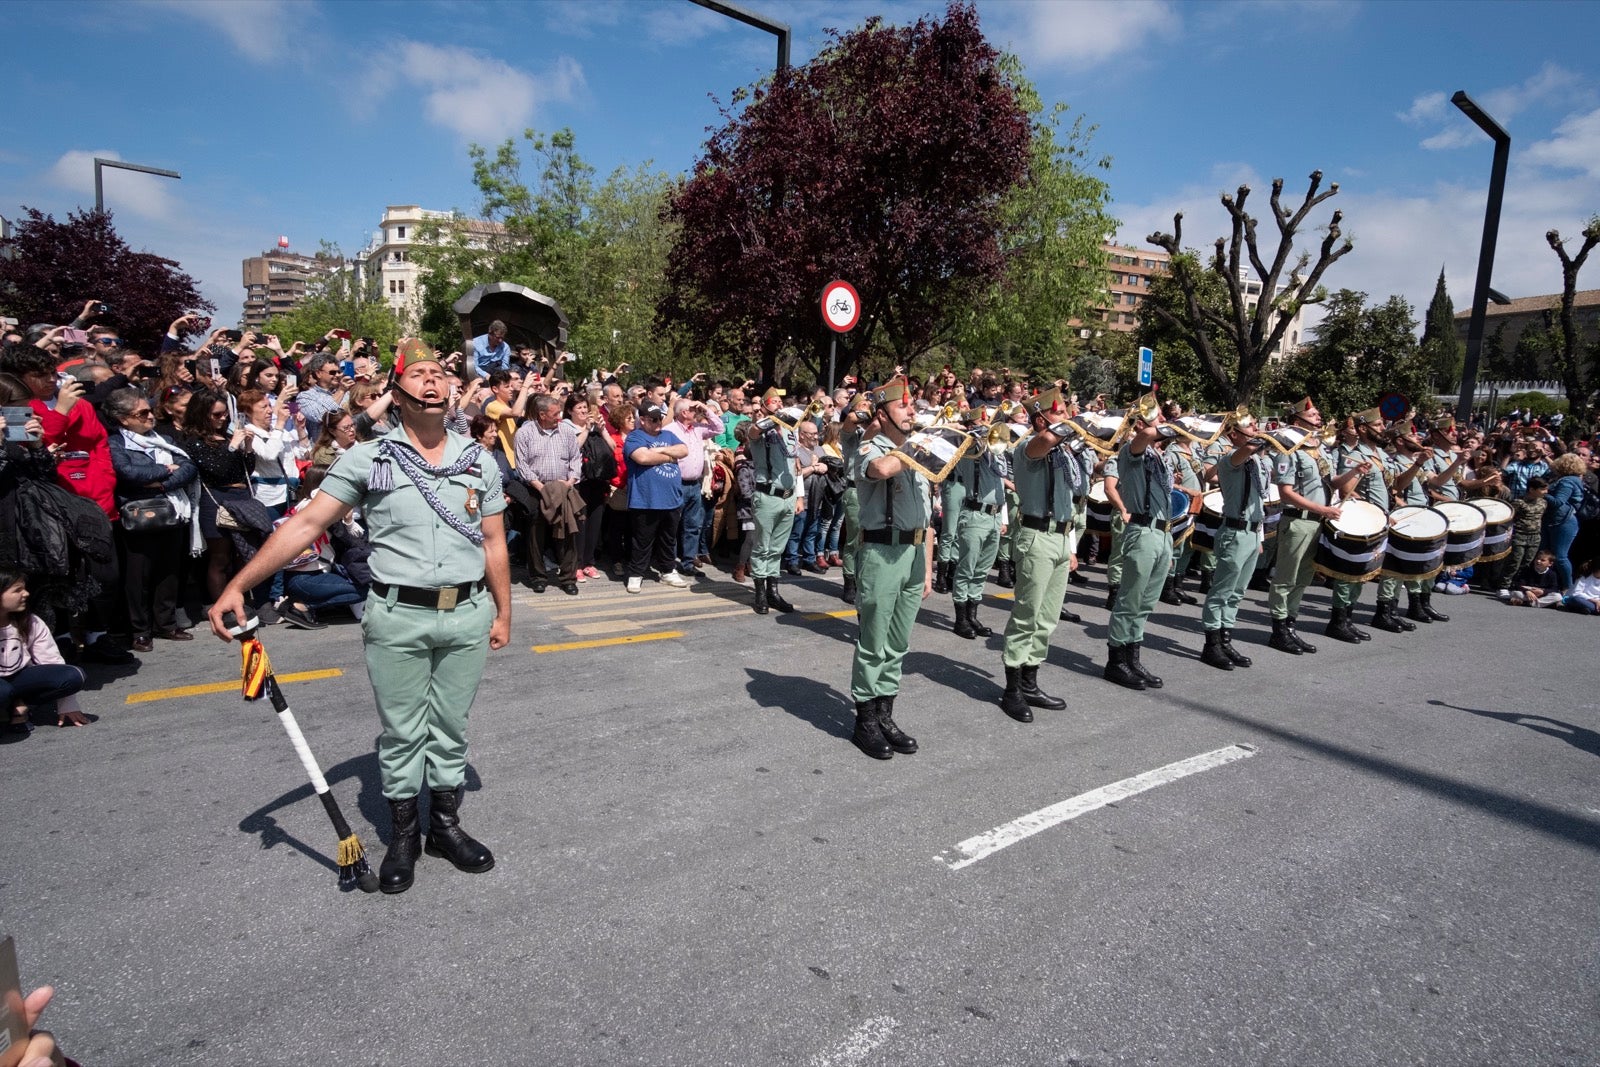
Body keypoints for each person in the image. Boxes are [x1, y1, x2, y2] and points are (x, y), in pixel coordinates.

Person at [208, 338, 512, 896]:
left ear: (450, 391)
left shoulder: (479, 461)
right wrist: (239, 584)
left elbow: (494, 541)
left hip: (466, 612)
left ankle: (445, 827)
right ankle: (403, 835)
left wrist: (503, 612)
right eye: (417, 374)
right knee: (401, 733)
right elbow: (302, 527)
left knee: (450, 728)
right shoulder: (370, 458)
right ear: (397, 393)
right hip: (398, 615)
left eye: (438, 374)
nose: (431, 380)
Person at [847, 377, 930, 760]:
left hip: (913, 553)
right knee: (873, 640)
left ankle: (885, 713)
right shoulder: (870, 446)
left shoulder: (917, 451)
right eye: (903, 407)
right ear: (883, 414)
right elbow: (879, 470)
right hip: (881, 553)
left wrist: (926, 567)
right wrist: (917, 448)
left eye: (912, 407)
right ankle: (864, 719)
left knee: (898, 642)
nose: (912, 411)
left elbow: (926, 516)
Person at [997, 389, 1080, 720]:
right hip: (1036, 537)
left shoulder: (1062, 452)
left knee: (1047, 617)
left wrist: (1071, 547)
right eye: (1059, 414)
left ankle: (1030, 682)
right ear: (1041, 419)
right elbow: (1045, 441)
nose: (1067, 419)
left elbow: (1068, 502)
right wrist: (1068, 427)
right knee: (1026, 613)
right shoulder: (1028, 447)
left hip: (1059, 536)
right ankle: (1012, 689)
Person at [105, 388, 201, 650]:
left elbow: (189, 466)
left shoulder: (163, 437)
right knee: (138, 577)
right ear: (124, 419)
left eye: (149, 410)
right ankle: (139, 629)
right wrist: (163, 470)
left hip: (171, 510)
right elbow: (127, 472)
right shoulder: (116, 442)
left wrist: (160, 484)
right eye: (142, 413)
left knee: (169, 571)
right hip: (139, 516)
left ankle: (166, 623)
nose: (150, 416)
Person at [1265, 398, 1354, 654]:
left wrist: (1354, 472)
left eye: (1317, 413)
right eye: (1313, 414)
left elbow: (1330, 483)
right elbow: (1286, 493)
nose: (1319, 418)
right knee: (1285, 579)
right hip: (1298, 521)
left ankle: (1290, 625)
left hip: (1317, 522)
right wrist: (1323, 509)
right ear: (1297, 421)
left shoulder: (1319, 449)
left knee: (1303, 579)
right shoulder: (1289, 450)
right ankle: (1278, 630)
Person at [1103, 395, 1172, 691]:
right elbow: (1144, 435)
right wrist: (1173, 428)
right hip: (1142, 530)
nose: (1164, 424)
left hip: (1162, 532)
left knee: (1145, 604)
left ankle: (1133, 656)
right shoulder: (1132, 450)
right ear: (1143, 424)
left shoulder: (1157, 456)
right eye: (1159, 419)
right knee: (1129, 601)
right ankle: (1116, 661)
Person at [1198, 411, 1272, 670]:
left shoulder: (1259, 462)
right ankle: (1211, 644)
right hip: (1235, 532)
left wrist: (1259, 536)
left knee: (1238, 592)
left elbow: (1259, 501)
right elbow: (1244, 452)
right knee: (1222, 591)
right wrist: (1260, 439)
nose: (1256, 427)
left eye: (1255, 423)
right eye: (1249, 425)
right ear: (1234, 434)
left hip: (1252, 532)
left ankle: (1226, 638)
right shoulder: (1232, 458)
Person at [0, 568, 91, 732]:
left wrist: (67, 705)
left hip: (19, 679)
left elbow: (52, 662)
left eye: (25, 588)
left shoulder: (30, 621)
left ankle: (22, 705)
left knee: (73, 675)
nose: (26, 593)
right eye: (17, 590)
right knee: (3, 692)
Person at [512, 394, 584, 595]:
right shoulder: (524, 433)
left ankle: (568, 577)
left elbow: (575, 458)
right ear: (542, 414)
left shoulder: (567, 432)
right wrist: (542, 489)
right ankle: (538, 576)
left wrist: (570, 481)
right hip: (536, 488)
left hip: (563, 486)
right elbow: (522, 466)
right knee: (536, 531)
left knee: (568, 530)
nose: (558, 417)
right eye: (554, 414)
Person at [623, 402, 689, 594]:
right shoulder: (635, 437)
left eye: (660, 418)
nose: (658, 422)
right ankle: (636, 574)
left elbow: (684, 450)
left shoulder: (667, 435)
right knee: (642, 540)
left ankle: (667, 570)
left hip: (671, 499)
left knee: (669, 539)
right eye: (653, 419)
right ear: (642, 420)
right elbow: (642, 458)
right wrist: (670, 456)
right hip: (646, 499)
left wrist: (658, 451)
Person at [747, 387, 800, 615]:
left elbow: (794, 465)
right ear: (764, 406)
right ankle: (759, 592)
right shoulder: (762, 430)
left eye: (780, 401)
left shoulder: (789, 431)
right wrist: (772, 419)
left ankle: (773, 591)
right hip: (767, 495)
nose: (779, 405)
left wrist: (799, 495)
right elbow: (753, 432)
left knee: (777, 548)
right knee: (762, 546)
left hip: (787, 496)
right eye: (774, 402)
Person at [664, 397, 724, 577]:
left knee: (693, 524)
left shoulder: (697, 429)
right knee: (672, 525)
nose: (695, 411)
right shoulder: (670, 430)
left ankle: (688, 562)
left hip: (694, 484)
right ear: (684, 412)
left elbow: (719, 428)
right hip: (676, 483)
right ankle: (670, 562)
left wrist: (706, 409)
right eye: (693, 409)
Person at [1498, 477, 1548, 599]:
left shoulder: (1543, 502)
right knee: (1515, 561)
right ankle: (1503, 586)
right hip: (1520, 535)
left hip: (1535, 536)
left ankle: (1518, 584)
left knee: (1528, 562)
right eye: (1542, 489)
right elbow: (1509, 518)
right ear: (1532, 489)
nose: (1545, 492)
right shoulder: (1519, 502)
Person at [1543, 453, 1586, 592]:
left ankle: (1568, 588)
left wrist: (1542, 493)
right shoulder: (1572, 480)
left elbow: (1558, 502)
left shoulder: (1567, 482)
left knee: (1560, 556)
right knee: (1548, 554)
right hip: (1559, 521)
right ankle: (1552, 585)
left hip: (1563, 522)